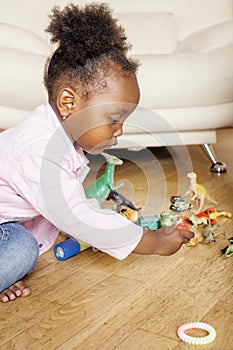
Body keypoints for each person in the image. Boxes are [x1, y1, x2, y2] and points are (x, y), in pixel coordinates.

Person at [0, 3, 194, 303]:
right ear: (68, 103)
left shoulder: (60, 138)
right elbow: (79, 217)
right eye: (114, 119)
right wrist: (151, 241)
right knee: (21, 251)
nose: (120, 131)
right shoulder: (38, 151)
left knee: (19, 248)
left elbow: (68, 200)